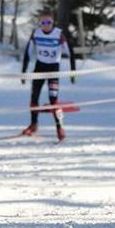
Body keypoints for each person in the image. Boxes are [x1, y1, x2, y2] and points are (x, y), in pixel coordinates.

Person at [21, 10, 76, 141]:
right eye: (43, 22)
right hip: (40, 67)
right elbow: (28, 53)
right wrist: (24, 72)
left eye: (48, 22)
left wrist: (73, 72)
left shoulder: (58, 34)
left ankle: (59, 127)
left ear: (52, 22)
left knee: (53, 99)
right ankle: (33, 124)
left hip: (53, 69)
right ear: (39, 23)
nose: (46, 25)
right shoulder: (36, 33)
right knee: (34, 97)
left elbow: (71, 53)